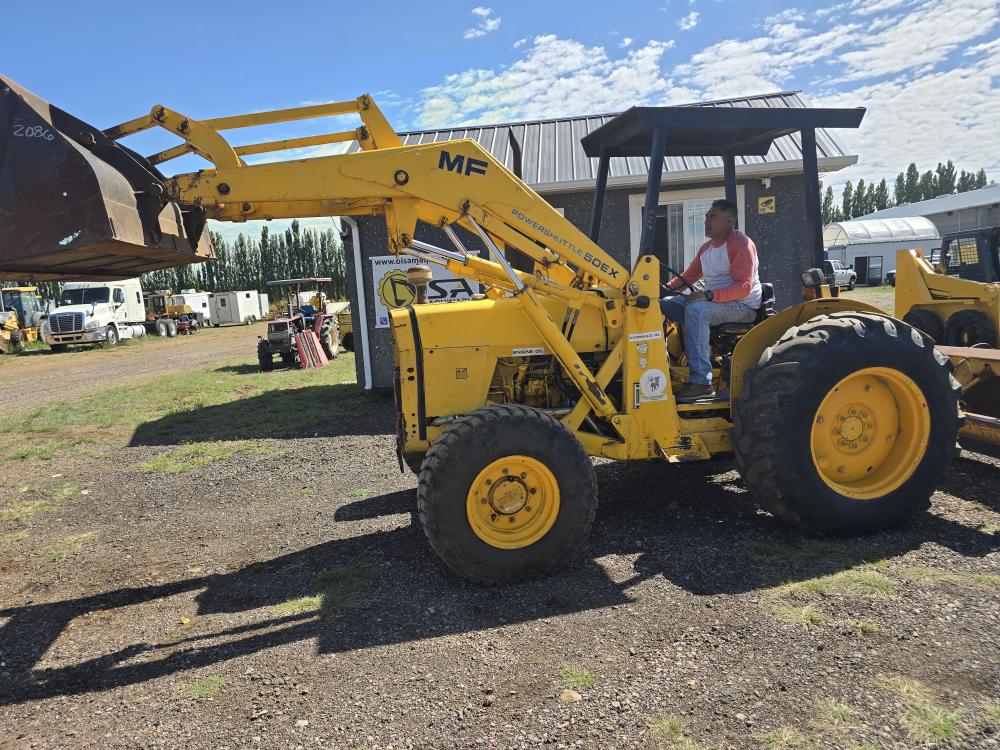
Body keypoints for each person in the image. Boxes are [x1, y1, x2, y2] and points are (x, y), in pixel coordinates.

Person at [660, 199, 762, 402]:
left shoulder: (741, 244)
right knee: (662, 304)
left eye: (712, 216)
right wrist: (660, 291)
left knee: (697, 310)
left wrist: (708, 296)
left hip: (742, 305)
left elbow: (744, 287)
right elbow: (687, 278)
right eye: (706, 216)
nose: (706, 220)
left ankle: (701, 382)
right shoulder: (706, 248)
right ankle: (660, 363)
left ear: (729, 220)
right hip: (715, 302)